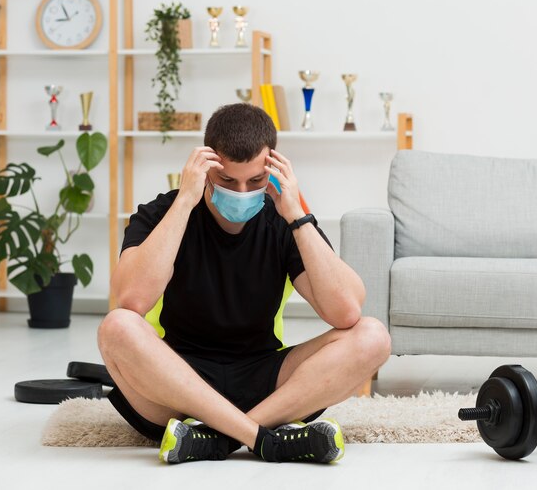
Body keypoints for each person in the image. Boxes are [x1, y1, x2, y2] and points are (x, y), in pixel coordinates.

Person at [97, 103, 391, 464]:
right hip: (179, 383)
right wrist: (186, 199)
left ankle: (217, 439)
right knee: (116, 326)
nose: (241, 192)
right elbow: (131, 298)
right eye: (227, 181)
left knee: (373, 335)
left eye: (255, 181)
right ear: (205, 170)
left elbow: (345, 311)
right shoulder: (161, 213)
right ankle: (262, 439)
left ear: (272, 171)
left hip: (264, 381)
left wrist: (296, 213)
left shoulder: (285, 220)